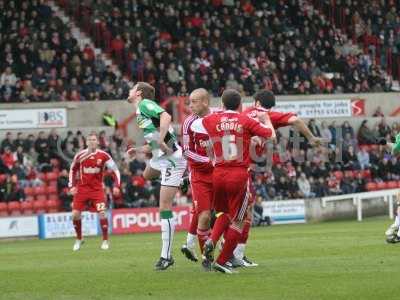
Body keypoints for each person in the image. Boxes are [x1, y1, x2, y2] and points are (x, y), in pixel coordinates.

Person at [230, 89, 323, 268]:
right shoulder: (267, 115)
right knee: (244, 212)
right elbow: (295, 119)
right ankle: (233, 254)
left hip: (224, 164)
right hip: (241, 169)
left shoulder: (243, 113)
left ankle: (230, 252)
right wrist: (311, 138)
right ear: (271, 106)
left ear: (256, 101)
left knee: (235, 211)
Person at [191, 89, 275, 273]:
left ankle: (211, 241)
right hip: (238, 174)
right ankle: (222, 260)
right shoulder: (246, 120)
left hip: (218, 174)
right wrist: (265, 119)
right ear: (239, 105)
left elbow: (196, 126)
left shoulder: (210, 120)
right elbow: (270, 135)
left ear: (222, 103)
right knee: (239, 219)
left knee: (224, 213)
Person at [126, 82, 187, 270]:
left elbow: (166, 115)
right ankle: (183, 181)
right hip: (159, 157)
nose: (129, 90)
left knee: (164, 207)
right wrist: (138, 149)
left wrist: (161, 140)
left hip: (171, 159)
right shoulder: (140, 112)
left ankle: (166, 256)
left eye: (132, 88)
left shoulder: (144, 104)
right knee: (146, 175)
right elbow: (153, 144)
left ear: (139, 93)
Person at [180, 88, 216, 269]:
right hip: (200, 175)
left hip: (219, 174)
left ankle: (234, 253)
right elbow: (186, 151)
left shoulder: (217, 118)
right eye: (190, 101)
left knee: (224, 215)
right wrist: (210, 161)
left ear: (205, 102)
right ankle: (206, 258)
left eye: (194, 101)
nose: (190, 105)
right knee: (204, 215)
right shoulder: (188, 123)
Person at [69, 132, 120, 251]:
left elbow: (116, 170)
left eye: (94, 139)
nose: (92, 141)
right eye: (90, 139)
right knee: (75, 215)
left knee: (102, 213)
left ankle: (105, 240)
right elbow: (72, 170)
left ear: (97, 142)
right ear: (86, 142)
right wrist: (71, 186)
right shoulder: (80, 155)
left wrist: (117, 185)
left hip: (97, 190)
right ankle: (79, 238)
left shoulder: (104, 155)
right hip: (82, 190)